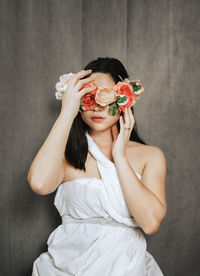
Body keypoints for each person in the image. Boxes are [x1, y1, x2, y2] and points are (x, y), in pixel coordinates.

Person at [28, 57, 167, 275]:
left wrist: (119, 157)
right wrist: (67, 111)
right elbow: (39, 183)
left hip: (126, 267)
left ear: (123, 99)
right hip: (66, 264)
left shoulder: (150, 156)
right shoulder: (64, 156)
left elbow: (150, 223)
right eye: (89, 97)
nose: (98, 107)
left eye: (107, 98)